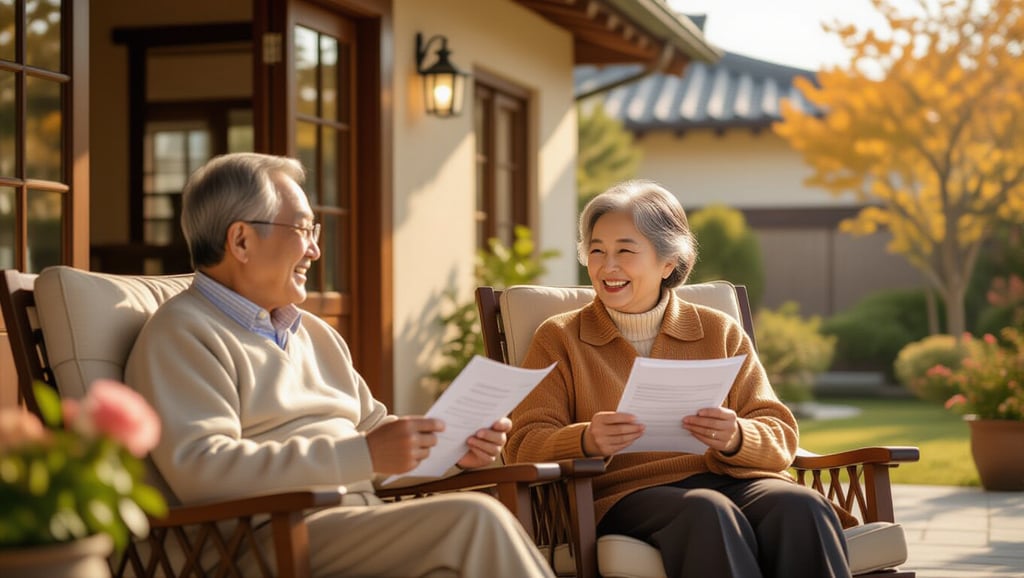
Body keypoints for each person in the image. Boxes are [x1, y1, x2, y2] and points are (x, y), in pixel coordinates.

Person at [125, 152, 554, 578]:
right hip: (260, 539)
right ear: (240, 241)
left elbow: (376, 444)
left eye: (314, 230)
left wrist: (457, 452)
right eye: (301, 229)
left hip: (353, 525)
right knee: (475, 521)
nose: (314, 248)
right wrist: (363, 453)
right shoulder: (181, 333)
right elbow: (204, 469)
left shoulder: (314, 334)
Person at [504, 180, 852, 578]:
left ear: (668, 263)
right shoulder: (559, 337)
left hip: (729, 477)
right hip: (624, 493)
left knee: (801, 505)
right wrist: (585, 440)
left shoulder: (718, 330)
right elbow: (521, 444)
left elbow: (781, 435)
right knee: (706, 510)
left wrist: (737, 436)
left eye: (625, 251)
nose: (607, 266)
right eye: (596, 250)